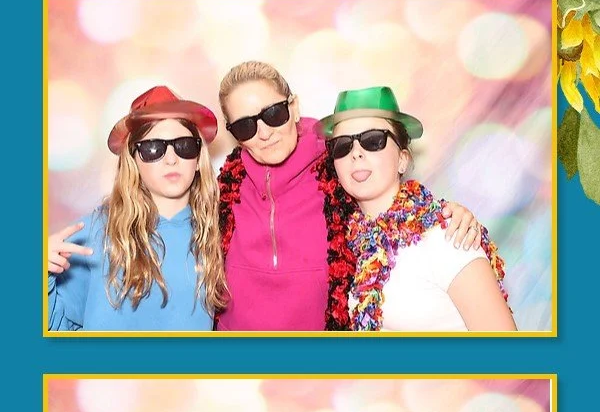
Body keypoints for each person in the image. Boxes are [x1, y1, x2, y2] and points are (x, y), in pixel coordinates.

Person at [215, 59, 483, 331]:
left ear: (293, 107)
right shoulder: (226, 188)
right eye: (245, 126)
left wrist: (447, 214)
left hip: (321, 366)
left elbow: (388, 196)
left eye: (273, 114)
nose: (263, 133)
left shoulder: (338, 167)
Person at [323, 86, 517, 333]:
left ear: (403, 159)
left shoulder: (448, 235)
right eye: (342, 146)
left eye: (373, 140)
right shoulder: (350, 248)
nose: (356, 154)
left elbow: (511, 365)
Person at [48, 86, 227, 332]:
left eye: (184, 146)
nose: (171, 159)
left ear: (198, 159)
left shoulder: (221, 233)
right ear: (133, 161)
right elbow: (54, 331)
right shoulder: (93, 232)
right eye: (153, 148)